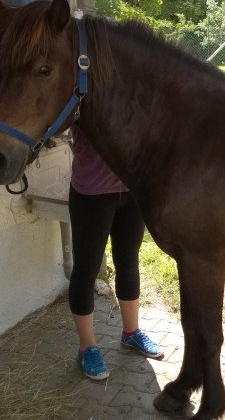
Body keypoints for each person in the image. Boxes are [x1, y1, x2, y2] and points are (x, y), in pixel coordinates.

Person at [68, 124, 164, 380]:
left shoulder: (133, 91)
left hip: (131, 189)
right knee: (86, 270)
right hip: (91, 193)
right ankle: (87, 348)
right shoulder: (83, 90)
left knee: (128, 262)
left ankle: (131, 333)